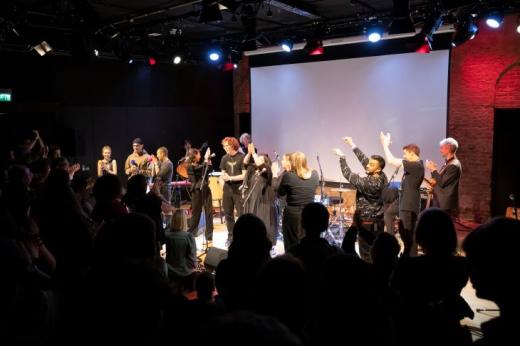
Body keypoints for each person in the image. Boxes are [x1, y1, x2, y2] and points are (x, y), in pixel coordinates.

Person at [333, 137, 387, 262]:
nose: (367, 165)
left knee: (366, 253)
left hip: (367, 221)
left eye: (371, 164)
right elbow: (365, 161)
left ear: (378, 169)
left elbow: (348, 175)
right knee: (374, 250)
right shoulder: (382, 175)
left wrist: (342, 157)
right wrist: (352, 144)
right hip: (377, 219)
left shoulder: (370, 183)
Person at [380, 132, 424, 256]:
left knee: (408, 233)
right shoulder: (414, 165)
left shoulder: (416, 165)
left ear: (412, 153)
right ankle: (392, 243)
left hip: (409, 204)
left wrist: (385, 145)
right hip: (403, 201)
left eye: (405, 153)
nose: (404, 156)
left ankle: (411, 258)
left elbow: (391, 160)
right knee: (388, 214)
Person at [278, 152, 319, 252]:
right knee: (308, 242)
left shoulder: (289, 175)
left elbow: (280, 193)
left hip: (292, 214)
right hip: (310, 213)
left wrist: (283, 174)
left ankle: (292, 264)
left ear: (293, 162)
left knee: (291, 243)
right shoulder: (315, 174)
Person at [243, 144, 276, 247]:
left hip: (262, 201)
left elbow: (259, 163)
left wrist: (254, 153)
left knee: (262, 221)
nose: (257, 161)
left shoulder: (267, 171)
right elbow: (245, 162)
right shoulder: (253, 170)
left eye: (261, 160)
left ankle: (265, 243)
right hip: (252, 199)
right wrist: (249, 153)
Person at [425, 137, 461, 218]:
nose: (440, 150)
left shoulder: (454, 165)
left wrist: (433, 169)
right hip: (440, 200)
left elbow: (442, 182)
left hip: (444, 203)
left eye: (441, 148)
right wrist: (433, 173)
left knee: (441, 226)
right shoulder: (448, 163)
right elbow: (439, 180)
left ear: (448, 148)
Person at [219, 137, 246, 246]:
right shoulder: (224, 158)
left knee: (241, 214)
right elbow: (223, 173)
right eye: (224, 146)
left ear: (233, 145)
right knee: (228, 214)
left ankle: (242, 236)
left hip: (238, 189)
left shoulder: (242, 157)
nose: (225, 148)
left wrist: (230, 178)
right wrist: (223, 179)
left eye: (227, 146)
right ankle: (231, 236)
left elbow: (244, 175)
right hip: (227, 190)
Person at [187, 147, 214, 243]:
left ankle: (209, 236)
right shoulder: (190, 166)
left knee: (209, 212)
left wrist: (208, 160)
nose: (200, 155)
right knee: (196, 213)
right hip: (197, 191)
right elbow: (199, 170)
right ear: (194, 156)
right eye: (198, 154)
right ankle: (191, 234)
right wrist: (206, 160)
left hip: (206, 190)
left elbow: (208, 170)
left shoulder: (200, 165)